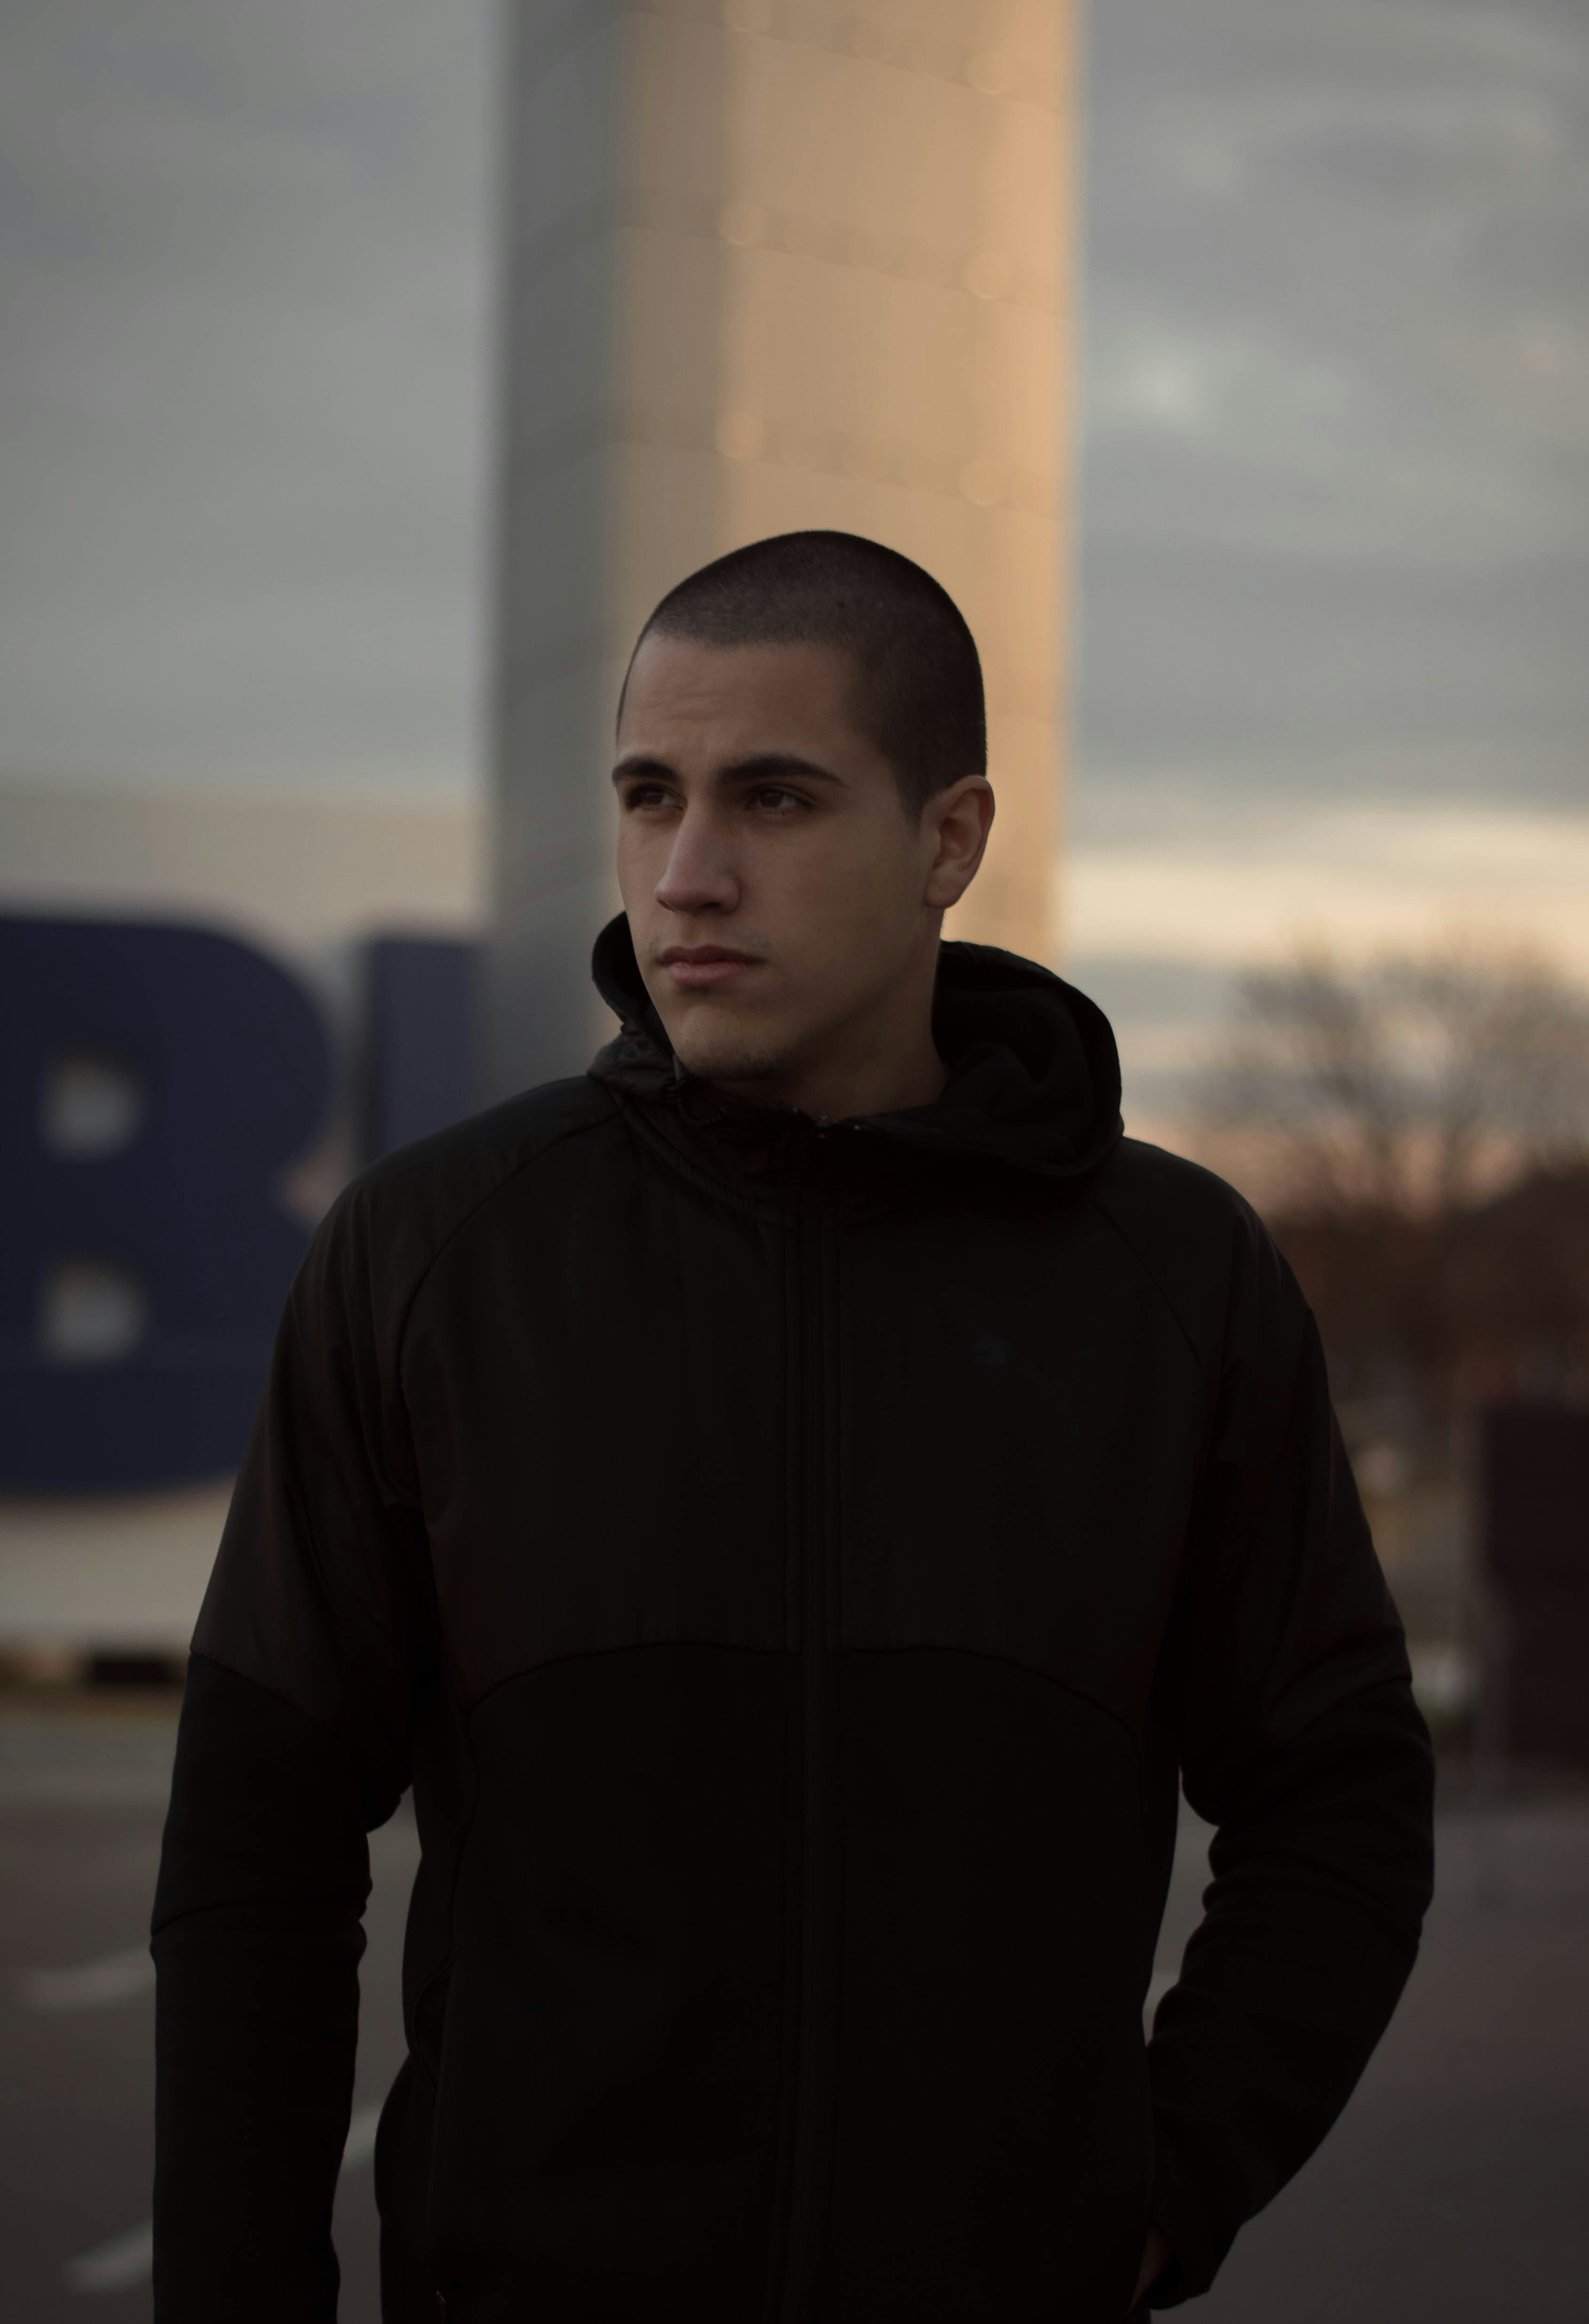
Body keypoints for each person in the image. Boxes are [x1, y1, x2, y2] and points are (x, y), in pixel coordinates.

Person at [151, 530, 1435, 2323]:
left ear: (947, 840)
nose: (685, 875)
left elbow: (1339, 1792)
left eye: (772, 799)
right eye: (648, 796)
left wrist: (1166, 2177)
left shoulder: (1173, 1280)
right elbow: (254, 1847)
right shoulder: (437, 1254)